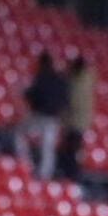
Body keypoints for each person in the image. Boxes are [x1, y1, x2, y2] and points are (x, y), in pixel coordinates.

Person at [20, 51, 68, 180]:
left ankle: (24, 166)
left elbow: (32, 95)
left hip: (39, 117)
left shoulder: (41, 77)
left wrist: (24, 94)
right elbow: (66, 101)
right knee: (48, 148)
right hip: (53, 119)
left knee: (19, 135)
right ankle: (44, 175)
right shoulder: (60, 79)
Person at [56, 55, 95, 182]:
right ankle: (70, 174)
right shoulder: (86, 79)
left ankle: (71, 175)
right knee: (71, 149)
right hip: (78, 122)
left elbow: (73, 103)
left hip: (75, 122)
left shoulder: (76, 82)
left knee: (72, 150)